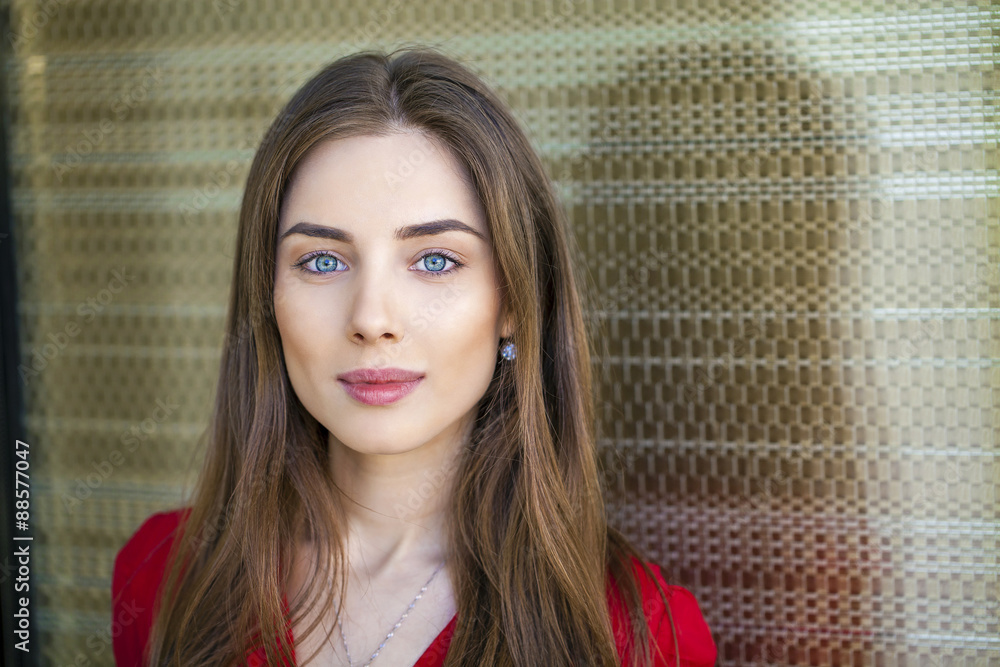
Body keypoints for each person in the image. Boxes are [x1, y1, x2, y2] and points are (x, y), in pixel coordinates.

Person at [111, 47, 717, 667]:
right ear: (268, 297)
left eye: (435, 260)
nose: (372, 319)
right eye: (322, 261)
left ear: (514, 301)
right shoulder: (163, 576)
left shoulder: (636, 636)